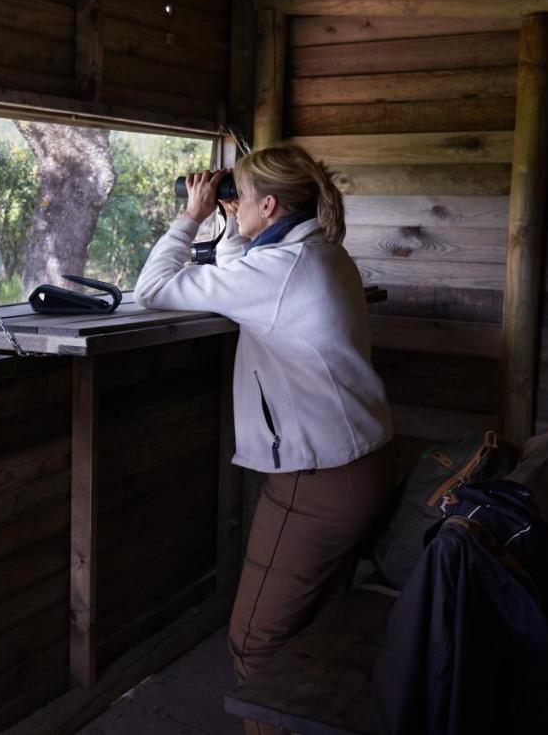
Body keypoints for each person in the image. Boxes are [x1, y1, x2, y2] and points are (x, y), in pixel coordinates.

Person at [134, 144, 396, 735]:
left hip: (319, 480)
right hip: (363, 463)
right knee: (314, 627)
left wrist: (192, 216)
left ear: (270, 205)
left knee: (255, 641)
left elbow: (153, 289)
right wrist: (232, 224)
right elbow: (236, 277)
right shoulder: (317, 253)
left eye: (241, 196)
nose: (230, 200)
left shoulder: (278, 271)